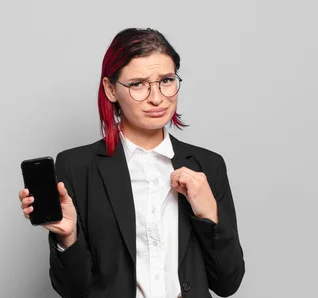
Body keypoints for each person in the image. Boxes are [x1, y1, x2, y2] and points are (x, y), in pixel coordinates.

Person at [18, 28, 245, 298]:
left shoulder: (208, 165)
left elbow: (227, 283)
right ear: (110, 89)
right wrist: (68, 238)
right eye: (138, 84)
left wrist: (209, 215)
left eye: (167, 80)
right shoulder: (77, 167)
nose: (157, 97)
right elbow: (73, 290)